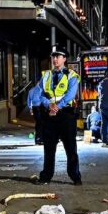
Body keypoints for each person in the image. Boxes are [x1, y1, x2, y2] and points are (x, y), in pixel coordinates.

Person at [34, 48, 82, 184]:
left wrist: (57, 106)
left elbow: (70, 95)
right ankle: (46, 177)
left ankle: (75, 177)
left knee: (71, 148)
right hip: (49, 115)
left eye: (58, 56)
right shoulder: (47, 75)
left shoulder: (72, 75)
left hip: (66, 115)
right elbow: (41, 94)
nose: (55, 59)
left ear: (64, 59)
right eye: (53, 57)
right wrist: (49, 105)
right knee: (49, 148)